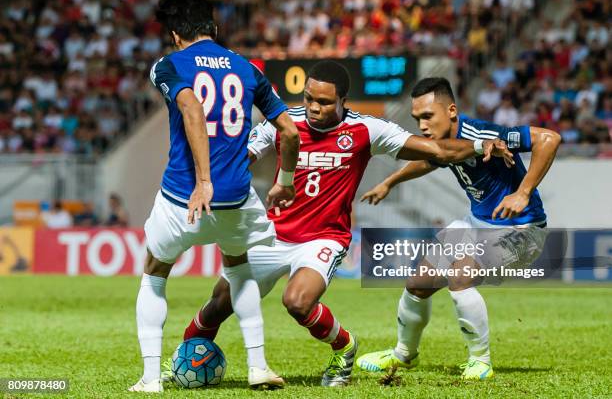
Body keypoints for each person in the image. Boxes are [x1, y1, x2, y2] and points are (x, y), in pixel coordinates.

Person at [168, 63, 514, 387]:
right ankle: (182, 360)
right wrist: (208, 182)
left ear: (342, 101)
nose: (314, 107)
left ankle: (345, 348)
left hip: (324, 238)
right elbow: (243, 156)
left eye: (323, 101)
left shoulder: (366, 129)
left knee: (298, 302)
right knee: (221, 300)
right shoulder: (283, 123)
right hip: (273, 234)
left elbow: (436, 151)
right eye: (308, 99)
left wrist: (481, 145)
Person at [130, 0, 299, 393]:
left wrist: (203, 180)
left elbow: (191, 108)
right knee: (239, 270)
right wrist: (285, 180)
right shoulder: (247, 68)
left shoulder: (168, 65)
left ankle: (151, 379)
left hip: (182, 199)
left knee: (154, 274)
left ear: (174, 35)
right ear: (215, 28)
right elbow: (290, 130)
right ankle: (258, 366)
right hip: (236, 199)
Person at [356, 77, 561, 380]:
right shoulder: (445, 142)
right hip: (477, 225)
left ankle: (481, 361)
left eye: (428, 116)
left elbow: (549, 138)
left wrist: (523, 192)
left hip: (522, 230)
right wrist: (390, 182)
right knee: (418, 283)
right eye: (417, 119)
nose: (422, 125)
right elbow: (431, 159)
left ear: (451, 110)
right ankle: (403, 354)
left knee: (460, 274)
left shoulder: (483, 134)